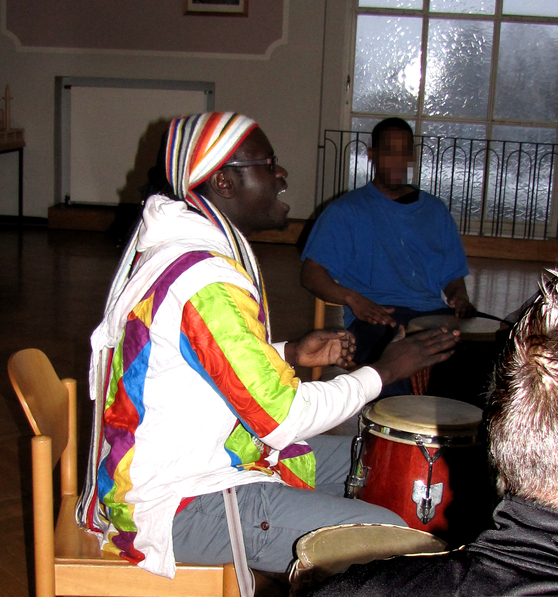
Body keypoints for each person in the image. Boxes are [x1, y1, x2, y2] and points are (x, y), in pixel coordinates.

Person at [75, 112, 458, 580]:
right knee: (393, 543)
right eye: (268, 163)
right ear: (224, 182)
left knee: (378, 460)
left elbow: (191, 364)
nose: (282, 175)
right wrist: (383, 370)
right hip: (179, 501)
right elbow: (285, 418)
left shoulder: (190, 253)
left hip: (201, 461)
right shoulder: (202, 281)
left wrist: (289, 353)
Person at [301, 270, 558, 597]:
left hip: (262, 450)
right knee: (391, 513)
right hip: (234, 472)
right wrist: (383, 369)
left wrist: (291, 353)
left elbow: (453, 276)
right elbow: (275, 419)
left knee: (377, 488)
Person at [301, 118, 476, 378]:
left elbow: (452, 277)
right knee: (394, 365)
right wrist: (353, 300)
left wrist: (459, 296)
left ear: (412, 157)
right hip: (376, 319)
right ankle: (385, 419)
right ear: (372, 155)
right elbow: (311, 274)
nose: (397, 159)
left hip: (431, 315)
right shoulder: (346, 211)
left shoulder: (435, 211)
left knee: (476, 361)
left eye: (404, 151)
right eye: (388, 151)